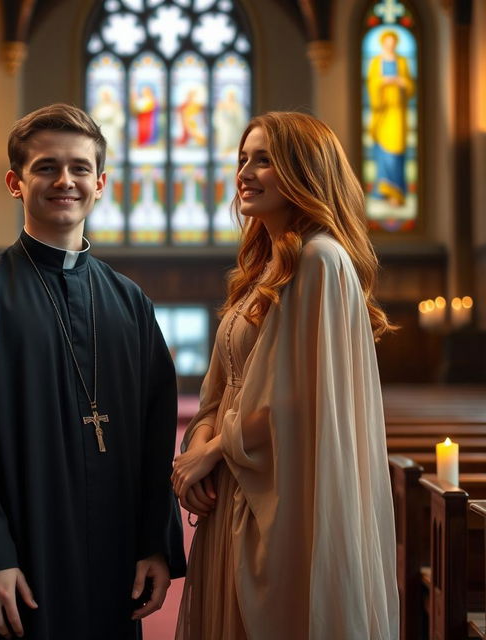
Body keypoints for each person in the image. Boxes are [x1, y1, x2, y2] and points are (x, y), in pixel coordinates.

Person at [0, 103, 186, 640]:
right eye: (46, 167)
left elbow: (157, 435)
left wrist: (155, 542)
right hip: (16, 572)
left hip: (114, 568)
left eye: (80, 168)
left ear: (101, 183)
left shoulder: (130, 303)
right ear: (16, 182)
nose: (66, 181)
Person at [171, 111, 399, 639]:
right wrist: (201, 438)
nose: (245, 172)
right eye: (242, 159)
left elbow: (299, 400)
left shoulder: (321, 260)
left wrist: (212, 450)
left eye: (264, 160)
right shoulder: (262, 267)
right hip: (235, 483)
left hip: (281, 493)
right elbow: (223, 381)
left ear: (304, 170)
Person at [367, 30, 414, 207]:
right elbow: (371, 85)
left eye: (392, 42)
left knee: (396, 150)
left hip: (397, 113)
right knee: (382, 151)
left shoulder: (402, 62)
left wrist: (401, 82)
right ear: (382, 43)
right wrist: (382, 82)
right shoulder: (375, 62)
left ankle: (397, 192)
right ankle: (382, 191)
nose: (390, 45)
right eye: (387, 42)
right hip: (381, 112)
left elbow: (410, 87)